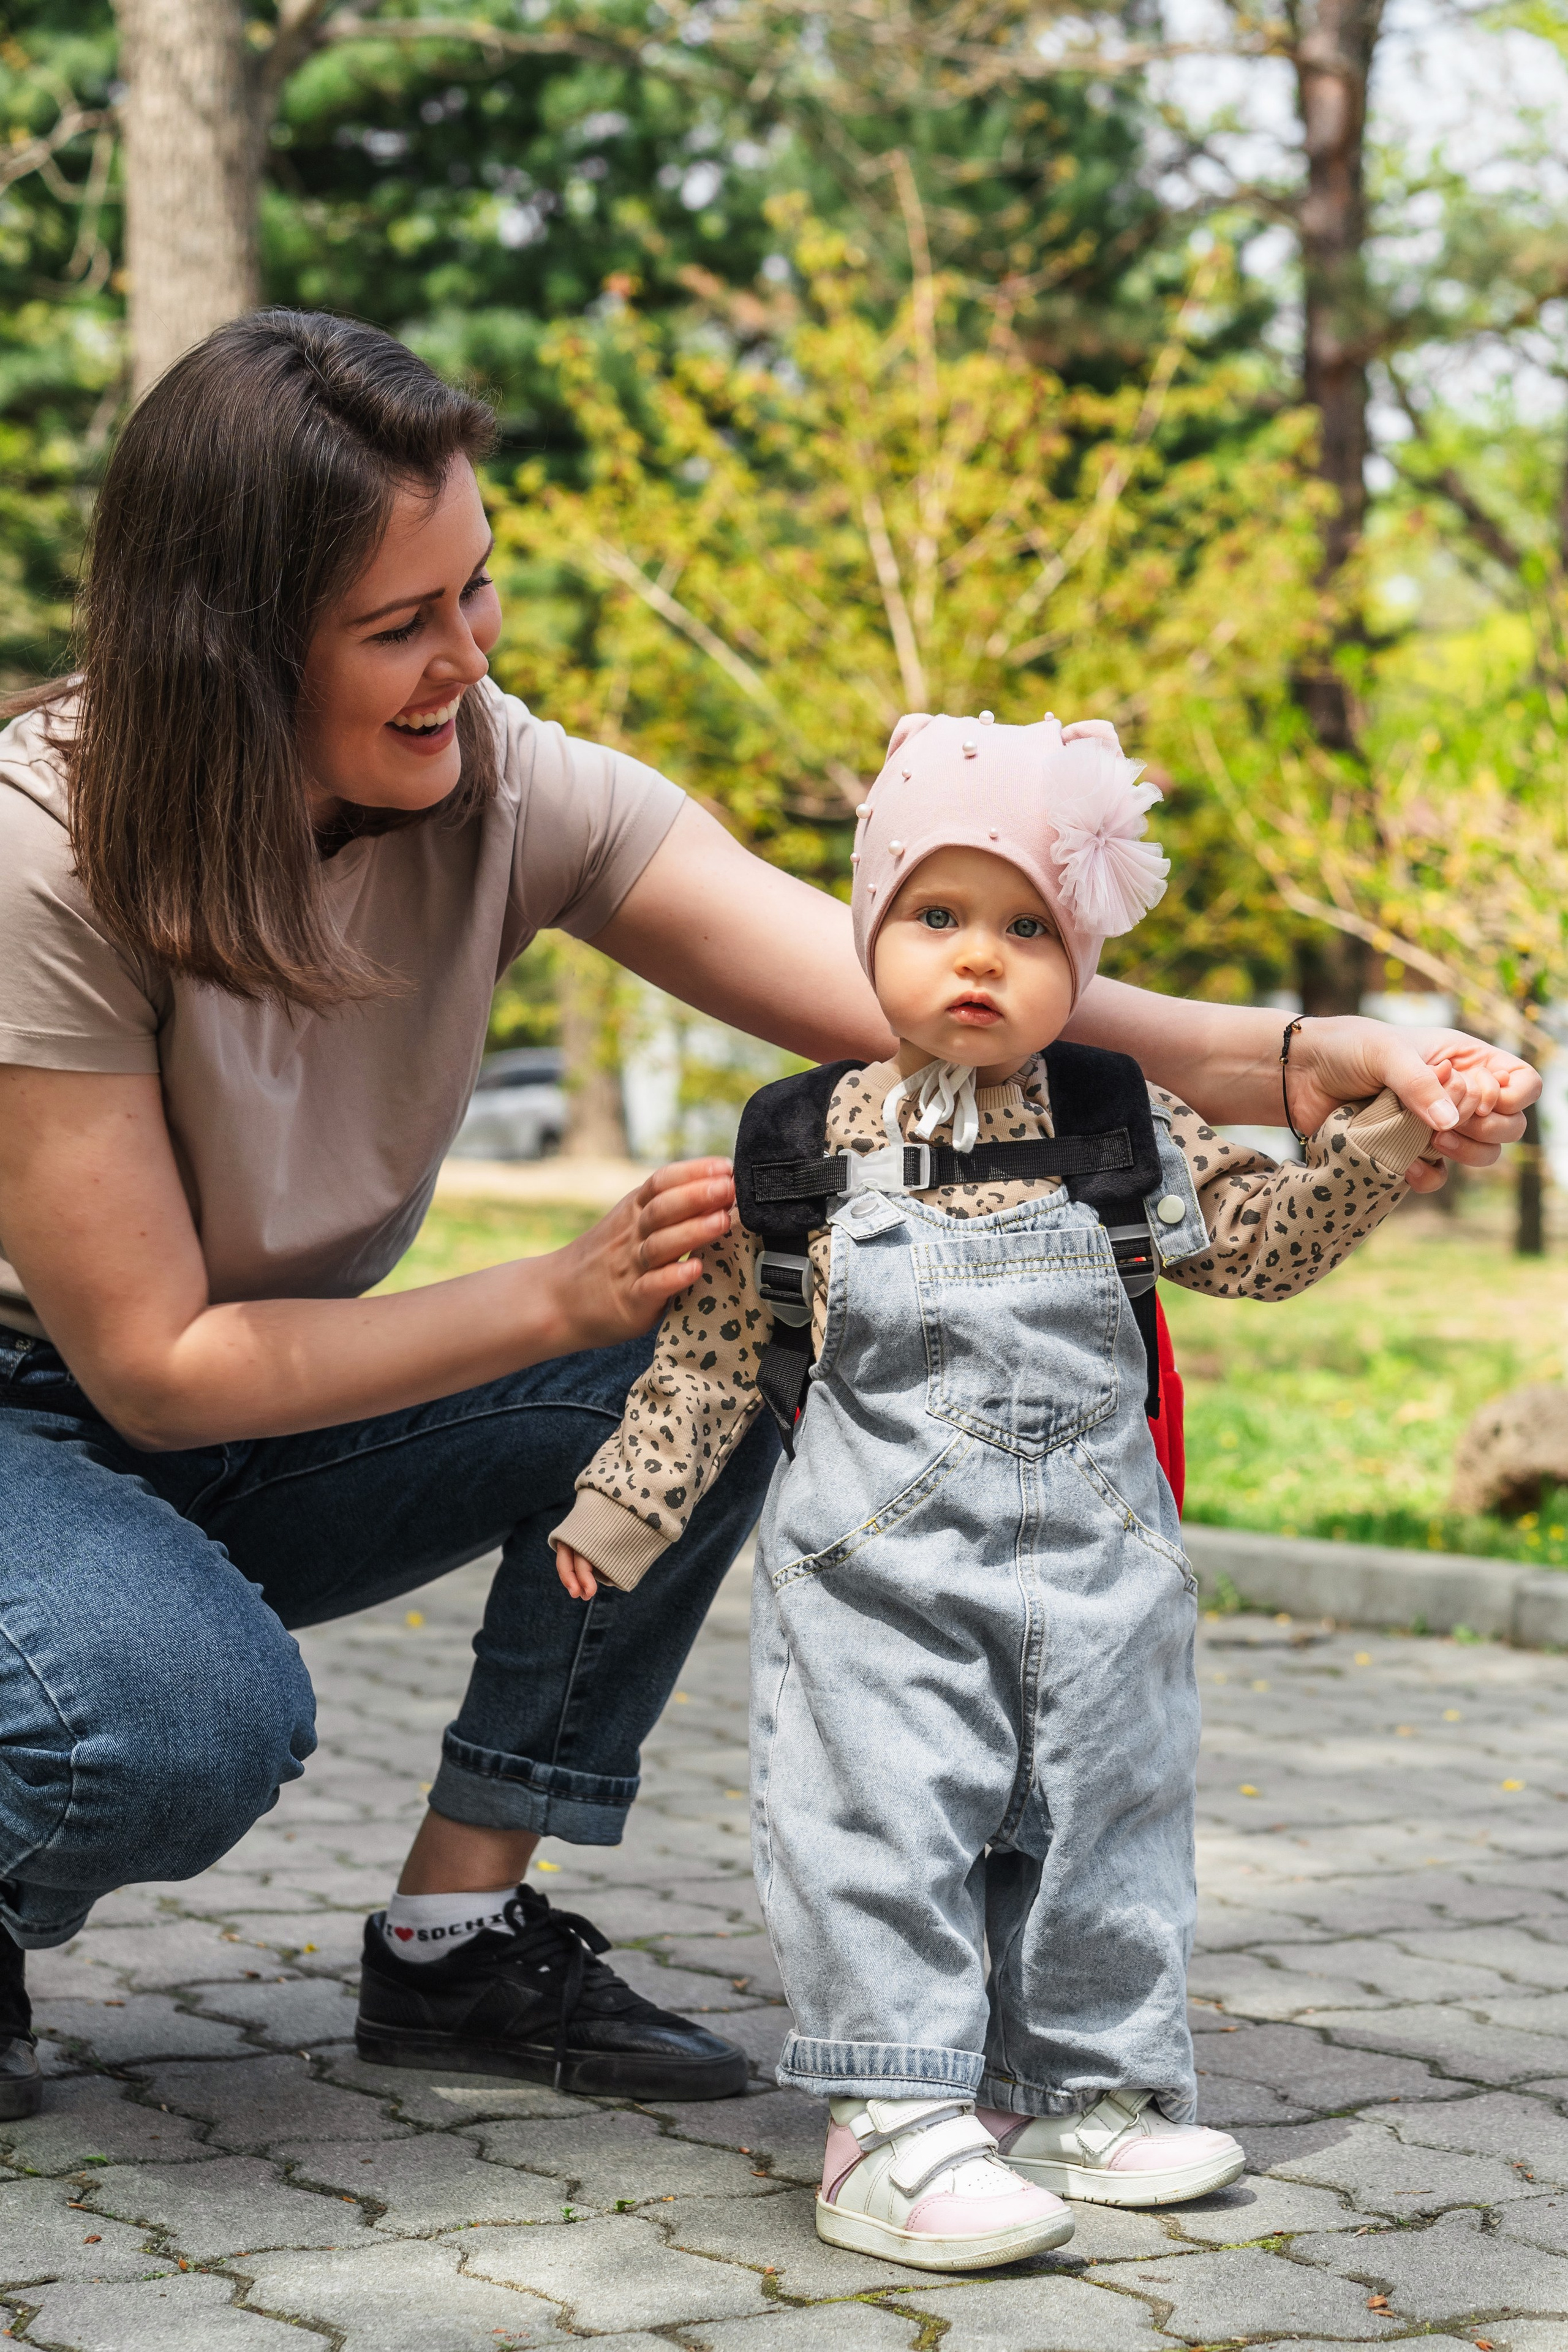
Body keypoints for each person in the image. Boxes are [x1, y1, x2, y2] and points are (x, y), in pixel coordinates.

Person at [0, 312, 1532, 2129]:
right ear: (235, 650)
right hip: (48, 1418)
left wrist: (1303, 1063)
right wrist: (560, 1292)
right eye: (399, 627)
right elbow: (160, 1369)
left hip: (265, 1408)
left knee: (748, 1305)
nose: (465, 659)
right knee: (168, 1723)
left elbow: (893, 984)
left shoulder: (497, 777)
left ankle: (455, 1936)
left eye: (474, 593)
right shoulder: (46, 853)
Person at [550, 712, 1496, 2270]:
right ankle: (892, 2121)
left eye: (1029, 927)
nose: (978, 959)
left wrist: (1387, 1145)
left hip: (1103, 1567)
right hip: (876, 1576)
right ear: (868, 930)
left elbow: (1257, 1246)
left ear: (1083, 954)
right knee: (881, 1820)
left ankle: (1087, 2092)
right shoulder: (801, 1142)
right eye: (937, 917)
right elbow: (716, 1354)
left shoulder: (1124, 1120)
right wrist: (622, 1513)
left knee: (1106, 1823)